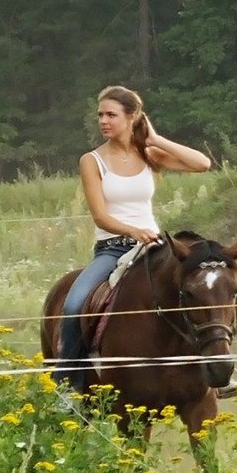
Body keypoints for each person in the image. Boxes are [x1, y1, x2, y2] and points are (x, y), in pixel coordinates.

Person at [53, 85, 212, 395]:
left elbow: (202, 164)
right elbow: (100, 216)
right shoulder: (92, 161)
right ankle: (67, 387)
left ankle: (214, 371)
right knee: (73, 305)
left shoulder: (148, 154)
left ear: (133, 116)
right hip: (113, 248)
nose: (103, 121)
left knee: (202, 289)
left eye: (111, 115)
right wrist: (131, 231)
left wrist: (155, 139)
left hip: (154, 248)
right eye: (100, 115)